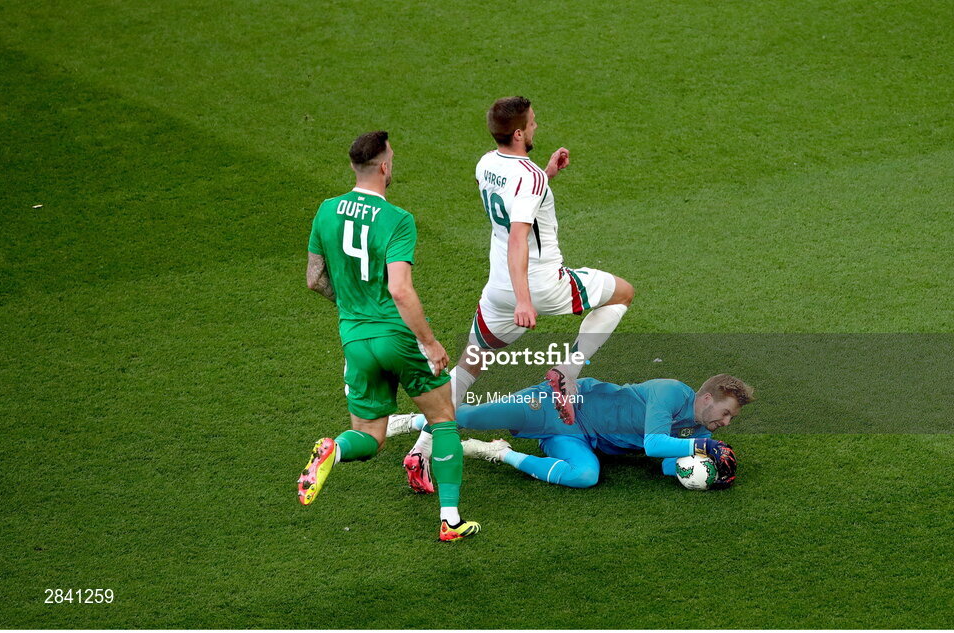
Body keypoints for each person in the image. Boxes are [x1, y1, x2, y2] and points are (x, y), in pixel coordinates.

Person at [402, 97, 635, 486]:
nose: (537, 127)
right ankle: (568, 370)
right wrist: (527, 300)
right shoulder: (530, 178)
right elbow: (518, 238)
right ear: (519, 132)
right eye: (533, 123)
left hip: (498, 289)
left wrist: (546, 175)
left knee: (469, 366)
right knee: (623, 293)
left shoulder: (486, 164)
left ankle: (421, 452)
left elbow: (512, 201)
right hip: (541, 283)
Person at [299, 130, 479, 541]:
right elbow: (400, 289)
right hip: (396, 337)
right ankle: (450, 520)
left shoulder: (326, 211)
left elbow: (314, 280)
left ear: (353, 166)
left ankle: (335, 448)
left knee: (369, 435)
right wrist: (430, 343)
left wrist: (355, 309)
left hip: (354, 338)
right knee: (443, 417)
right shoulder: (397, 219)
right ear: (384, 166)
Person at [390, 374, 754, 490]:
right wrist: (700, 444)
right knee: (469, 416)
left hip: (578, 439)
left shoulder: (693, 426)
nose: (724, 424)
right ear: (707, 398)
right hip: (558, 405)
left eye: (729, 421)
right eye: (724, 414)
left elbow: (662, 461)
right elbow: (654, 443)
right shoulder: (672, 392)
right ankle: (410, 421)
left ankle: (498, 452)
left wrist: (703, 468)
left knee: (585, 476)